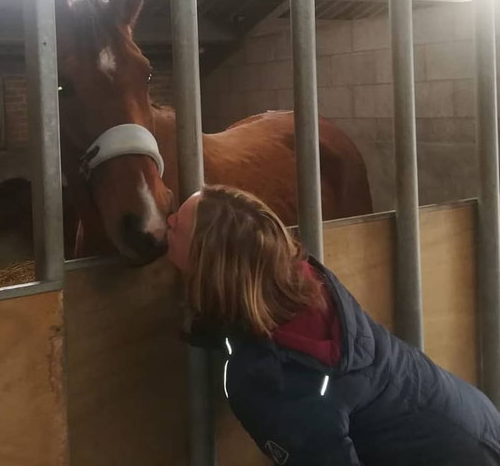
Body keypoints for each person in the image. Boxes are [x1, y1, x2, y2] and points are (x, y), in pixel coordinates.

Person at [166, 184, 500, 466]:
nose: (166, 222)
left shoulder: (273, 381)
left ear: (206, 262)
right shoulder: (302, 280)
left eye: (175, 226)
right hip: (475, 421)